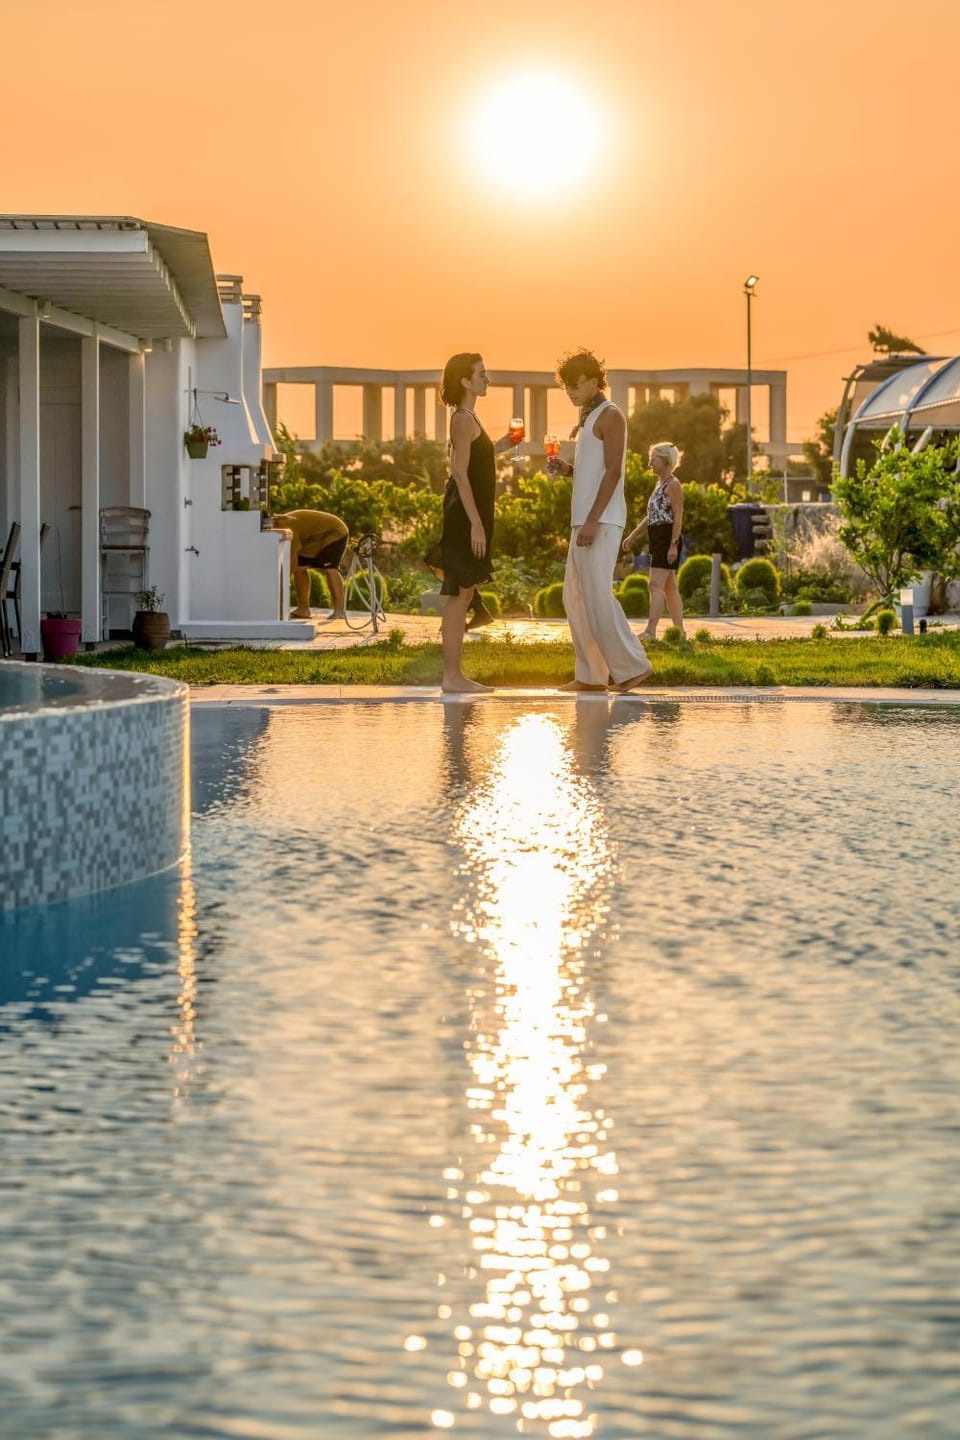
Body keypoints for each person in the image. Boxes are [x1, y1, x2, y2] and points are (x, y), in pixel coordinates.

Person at [547, 349, 653, 692]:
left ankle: (633, 666)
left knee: (597, 595)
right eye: (566, 386)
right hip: (584, 518)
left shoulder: (611, 415)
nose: (570, 392)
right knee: (575, 597)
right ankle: (591, 676)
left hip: (602, 520)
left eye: (576, 385)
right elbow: (592, 472)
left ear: (595, 381)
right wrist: (569, 471)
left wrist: (593, 521)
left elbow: (613, 472)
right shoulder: (589, 417)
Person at [433, 352, 515, 694]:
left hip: (471, 514)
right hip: (466, 517)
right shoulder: (463, 419)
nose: (487, 379)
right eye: (481, 374)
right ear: (465, 381)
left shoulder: (468, 417)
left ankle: (454, 676)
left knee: (464, 594)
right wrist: (476, 524)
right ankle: (452, 677)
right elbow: (460, 474)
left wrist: (501, 446)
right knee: (458, 595)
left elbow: (474, 461)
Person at [623, 442, 685, 642]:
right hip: (657, 537)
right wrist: (633, 535)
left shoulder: (673, 485)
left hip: (667, 537)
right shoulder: (659, 485)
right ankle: (680, 633)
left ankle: (650, 631)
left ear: (665, 461)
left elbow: (678, 516)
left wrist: (673, 545)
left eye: (653, 458)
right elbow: (652, 516)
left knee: (655, 585)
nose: (650, 462)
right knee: (669, 588)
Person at [270, 509, 349, 620]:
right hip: (314, 539)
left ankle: (339, 611)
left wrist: (280, 584)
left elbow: (291, 560)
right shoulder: (280, 523)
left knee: (330, 567)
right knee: (299, 569)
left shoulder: (287, 528)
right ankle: (303, 610)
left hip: (336, 531)